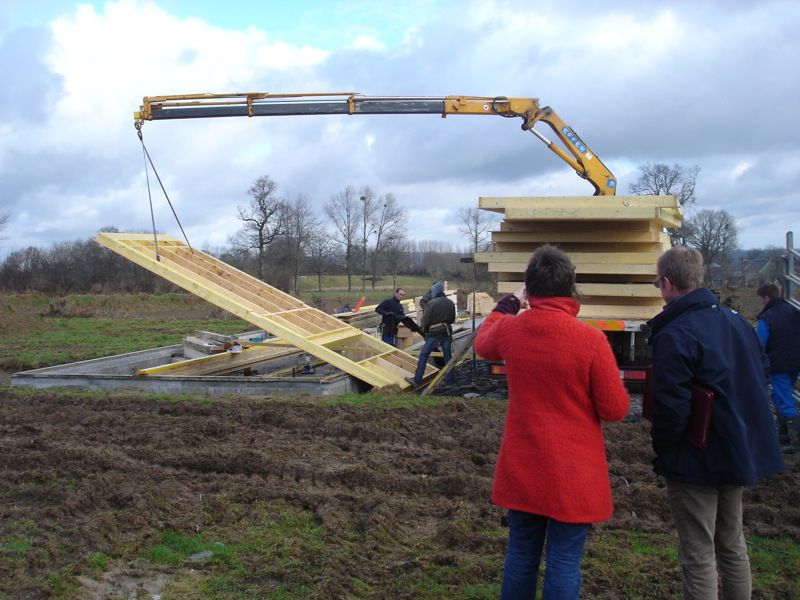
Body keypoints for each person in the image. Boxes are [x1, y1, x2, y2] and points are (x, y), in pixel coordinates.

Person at [474, 245, 629, 599]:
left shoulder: (513, 330)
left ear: (529, 290)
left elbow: (483, 344)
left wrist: (509, 304)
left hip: (523, 465)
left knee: (521, 556)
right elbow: (616, 409)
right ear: (570, 289)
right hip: (574, 474)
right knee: (563, 561)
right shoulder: (590, 339)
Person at [648, 246, 783, 599]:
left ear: (667, 283)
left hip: (696, 458)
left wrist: (666, 450)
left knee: (698, 553)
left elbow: (669, 407)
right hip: (738, 449)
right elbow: (761, 373)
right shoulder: (738, 321)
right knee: (732, 543)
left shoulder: (674, 333)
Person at [755, 282, 800, 451]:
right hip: (796, 362)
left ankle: (795, 440)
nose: (760, 302)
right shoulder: (794, 310)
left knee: (784, 400)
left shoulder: (767, 318)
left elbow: (758, 344)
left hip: (779, 364)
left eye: (761, 299)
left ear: (767, 298)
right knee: (780, 396)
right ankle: (784, 435)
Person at [406, 281, 455, 386]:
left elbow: (425, 321)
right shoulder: (450, 302)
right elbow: (452, 319)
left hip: (434, 333)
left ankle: (416, 380)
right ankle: (450, 381)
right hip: (446, 331)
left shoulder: (431, 303)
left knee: (423, 355)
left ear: (434, 292)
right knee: (448, 356)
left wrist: (424, 330)